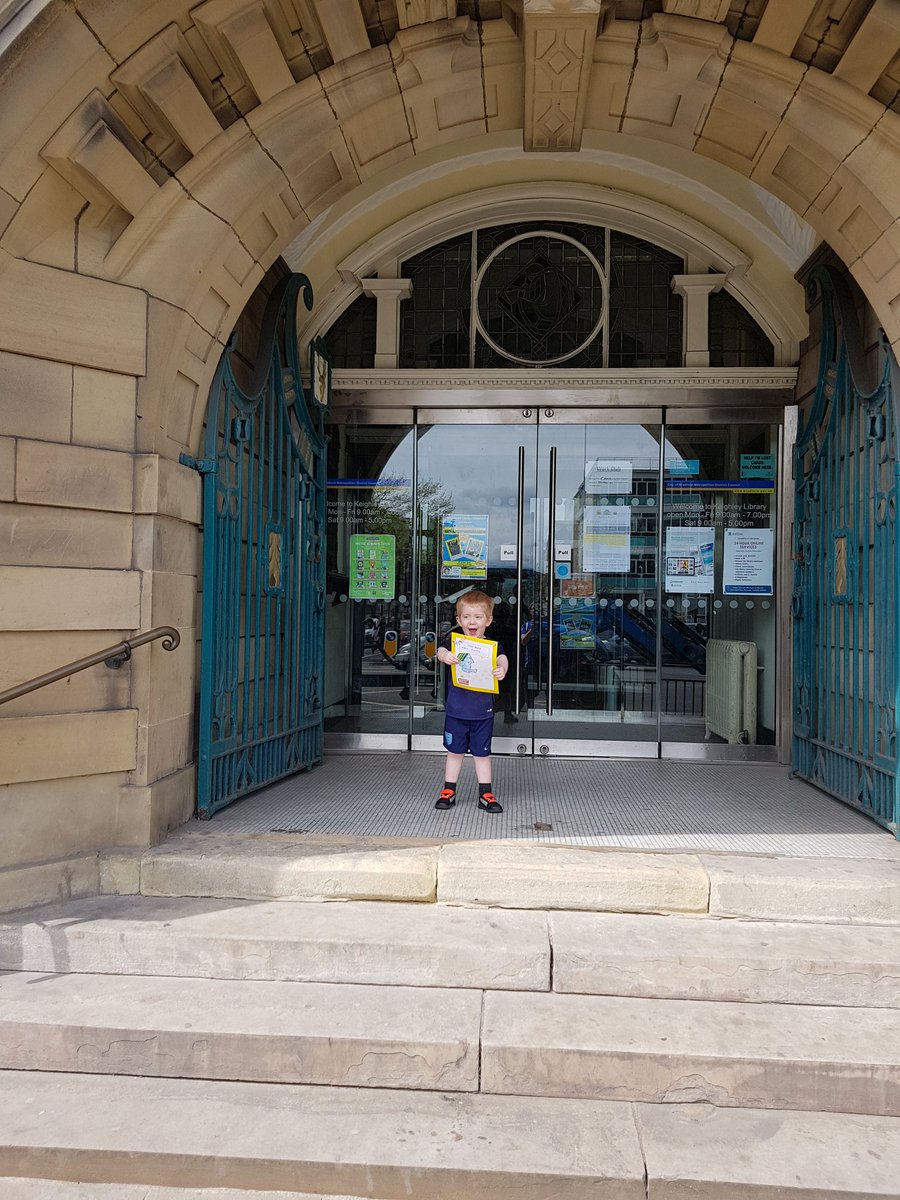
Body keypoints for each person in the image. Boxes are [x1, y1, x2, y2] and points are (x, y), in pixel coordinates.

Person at [434, 590, 508, 814]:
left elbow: (502, 657)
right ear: (459, 620)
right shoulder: (455, 640)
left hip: (482, 712)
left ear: (488, 620)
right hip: (456, 710)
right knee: (454, 752)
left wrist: (502, 668)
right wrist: (444, 655)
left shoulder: (491, 645)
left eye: (477, 617)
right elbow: (440, 649)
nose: (472, 621)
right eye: (466, 617)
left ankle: (485, 793)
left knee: (482, 754)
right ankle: (449, 790)